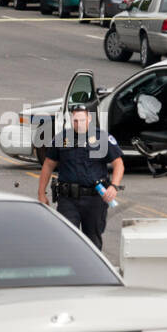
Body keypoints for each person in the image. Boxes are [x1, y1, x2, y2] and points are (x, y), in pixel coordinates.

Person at [37, 105, 124, 250]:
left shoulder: (102, 138)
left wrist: (114, 186)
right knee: (67, 239)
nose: (79, 124)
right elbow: (48, 165)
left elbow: (118, 164)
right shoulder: (62, 138)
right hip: (68, 199)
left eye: (82, 120)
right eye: (75, 120)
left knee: (93, 242)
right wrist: (41, 193)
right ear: (71, 120)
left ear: (89, 119)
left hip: (94, 199)